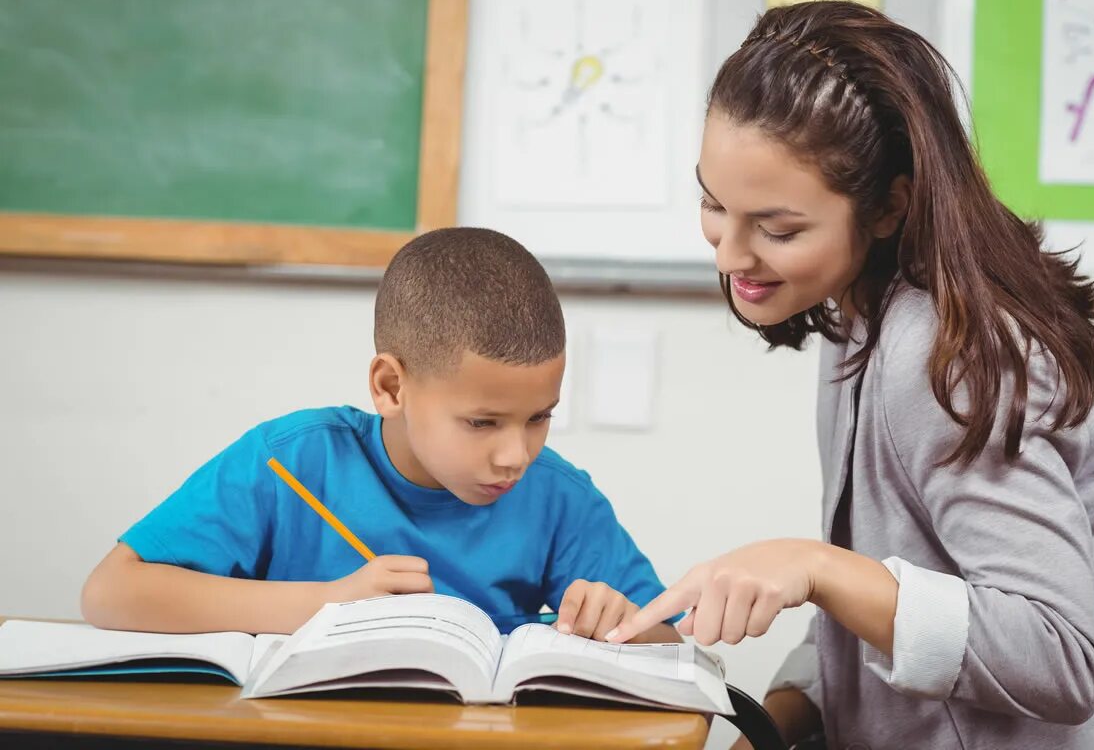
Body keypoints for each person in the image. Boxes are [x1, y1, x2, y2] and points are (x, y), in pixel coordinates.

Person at [608, 1, 1094, 748]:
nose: (729, 254)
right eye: (712, 203)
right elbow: (888, 598)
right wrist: (770, 725)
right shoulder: (857, 318)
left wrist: (816, 566)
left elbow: (1063, 656)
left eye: (778, 228)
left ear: (889, 206)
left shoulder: (947, 358)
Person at [82, 227, 678, 644]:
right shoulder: (290, 462)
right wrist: (324, 603)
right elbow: (111, 593)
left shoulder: (559, 498)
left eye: (539, 417)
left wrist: (623, 622)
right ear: (391, 387)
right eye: (482, 422)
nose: (514, 455)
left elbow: (665, 637)